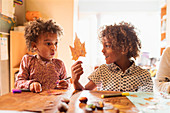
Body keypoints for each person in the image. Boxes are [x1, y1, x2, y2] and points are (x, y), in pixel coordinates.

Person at [71, 22, 153, 92]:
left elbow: (147, 102)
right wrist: (75, 82)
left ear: (124, 48)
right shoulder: (102, 70)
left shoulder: (144, 75)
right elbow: (85, 93)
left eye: (107, 46)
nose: (102, 50)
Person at [15, 19, 69, 93]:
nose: (54, 48)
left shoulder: (60, 64)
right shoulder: (28, 60)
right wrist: (31, 84)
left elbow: (67, 83)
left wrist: (65, 85)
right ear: (34, 46)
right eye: (48, 44)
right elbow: (18, 83)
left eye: (56, 43)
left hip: (54, 102)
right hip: (33, 102)